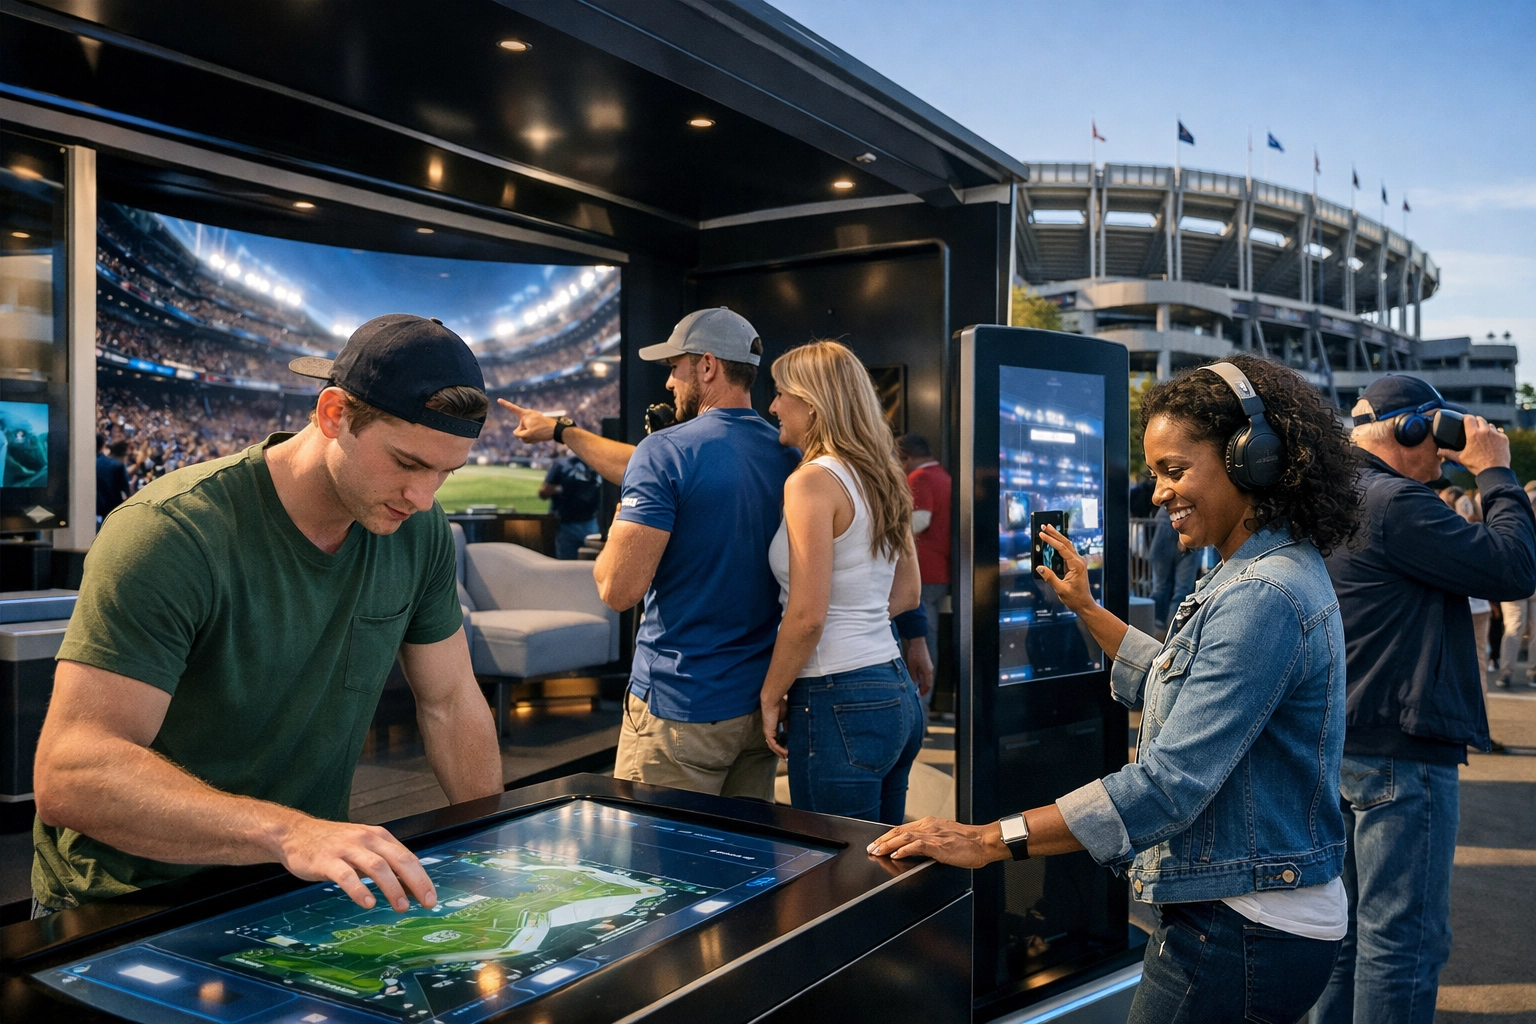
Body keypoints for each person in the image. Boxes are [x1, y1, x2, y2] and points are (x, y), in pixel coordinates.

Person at [867, 356, 1362, 1022]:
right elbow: (1177, 681)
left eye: (1174, 471)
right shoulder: (1263, 568)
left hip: (1242, 928)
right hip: (1252, 914)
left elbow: (1166, 786)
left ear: (1254, 461)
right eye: (1156, 473)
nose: (1157, 494)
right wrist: (1083, 605)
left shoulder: (1261, 595)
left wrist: (986, 840)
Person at [31, 314, 503, 919]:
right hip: (127, 900)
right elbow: (73, 771)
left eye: (446, 472)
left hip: (294, 886)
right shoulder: (171, 532)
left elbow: (451, 699)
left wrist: (496, 846)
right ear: (334, 415)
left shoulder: (420, 530)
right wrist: (289, 832)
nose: (424, 496)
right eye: (408, 464)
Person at [502, 308, 799, 799]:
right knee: (739, 862)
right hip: (757, 707)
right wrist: (563, 431)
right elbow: (666, 467)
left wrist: (623, 519)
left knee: (656, 868)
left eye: (675, 367)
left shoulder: (664, 452)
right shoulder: (789, 454)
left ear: (707, 366)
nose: (668, 383)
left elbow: (617, 590)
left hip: (679, 707)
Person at [1317, 374, 1536, 1024]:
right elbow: (1513, 568)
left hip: (1340, 740)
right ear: (1413, 429)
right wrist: (1496, 472)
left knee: (1345, 935)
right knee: (1403, 943)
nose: (1445, 453)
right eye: (1438, 436)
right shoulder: (1396, 503)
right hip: (1400, 752)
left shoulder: (1335, 498)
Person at [760, 342, 924, 824]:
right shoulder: (884, 475)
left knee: (834, 874)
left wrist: (771, 694)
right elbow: (906, 595)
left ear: (811, 401)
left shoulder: (810, 481)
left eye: (779, 393)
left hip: (837, 697)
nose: (772, 406)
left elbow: (808, 616)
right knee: (882, 868)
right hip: (893, 690)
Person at [897, 433, 950, 708]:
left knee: (919, 645)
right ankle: (924, 710)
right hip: (940, 572)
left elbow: (919, 520)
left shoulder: (920, 478)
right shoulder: (944, 476)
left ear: (906, 457)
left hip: (922, 572)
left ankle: (920, 712)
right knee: (929, 643)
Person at [1496, 480, 1536, 688]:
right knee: (1514, 626)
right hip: (1516, 580)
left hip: (1526, 579)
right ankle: (1506, 671)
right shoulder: (1516, 520)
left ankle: (1532, 670)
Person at [541, 449, 602, 559]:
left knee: (576, 565)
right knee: (582, 564)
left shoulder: (598, 463)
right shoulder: (563, 464)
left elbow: (544, 492)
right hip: (569, 523)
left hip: (585, 521)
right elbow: (544, 492)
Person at [95, 433, 130, 522]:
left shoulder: (82, 465)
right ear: (103, 445)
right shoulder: (116, 466)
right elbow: (126, 491)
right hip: (111, 513)